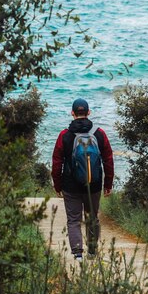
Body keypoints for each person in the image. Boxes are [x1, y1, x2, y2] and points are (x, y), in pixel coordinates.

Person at [51, 97, 114, 261]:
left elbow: (57, 162)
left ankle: (78, 254)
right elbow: (108, 159)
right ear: (88, 113)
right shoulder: (99, 134)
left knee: (73, 220)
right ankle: (92, 252)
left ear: (72, 113)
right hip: (93, 184)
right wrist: (108, 184)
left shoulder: (64, 135)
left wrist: (57, 185)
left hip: (70, 185)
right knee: (92, 218)